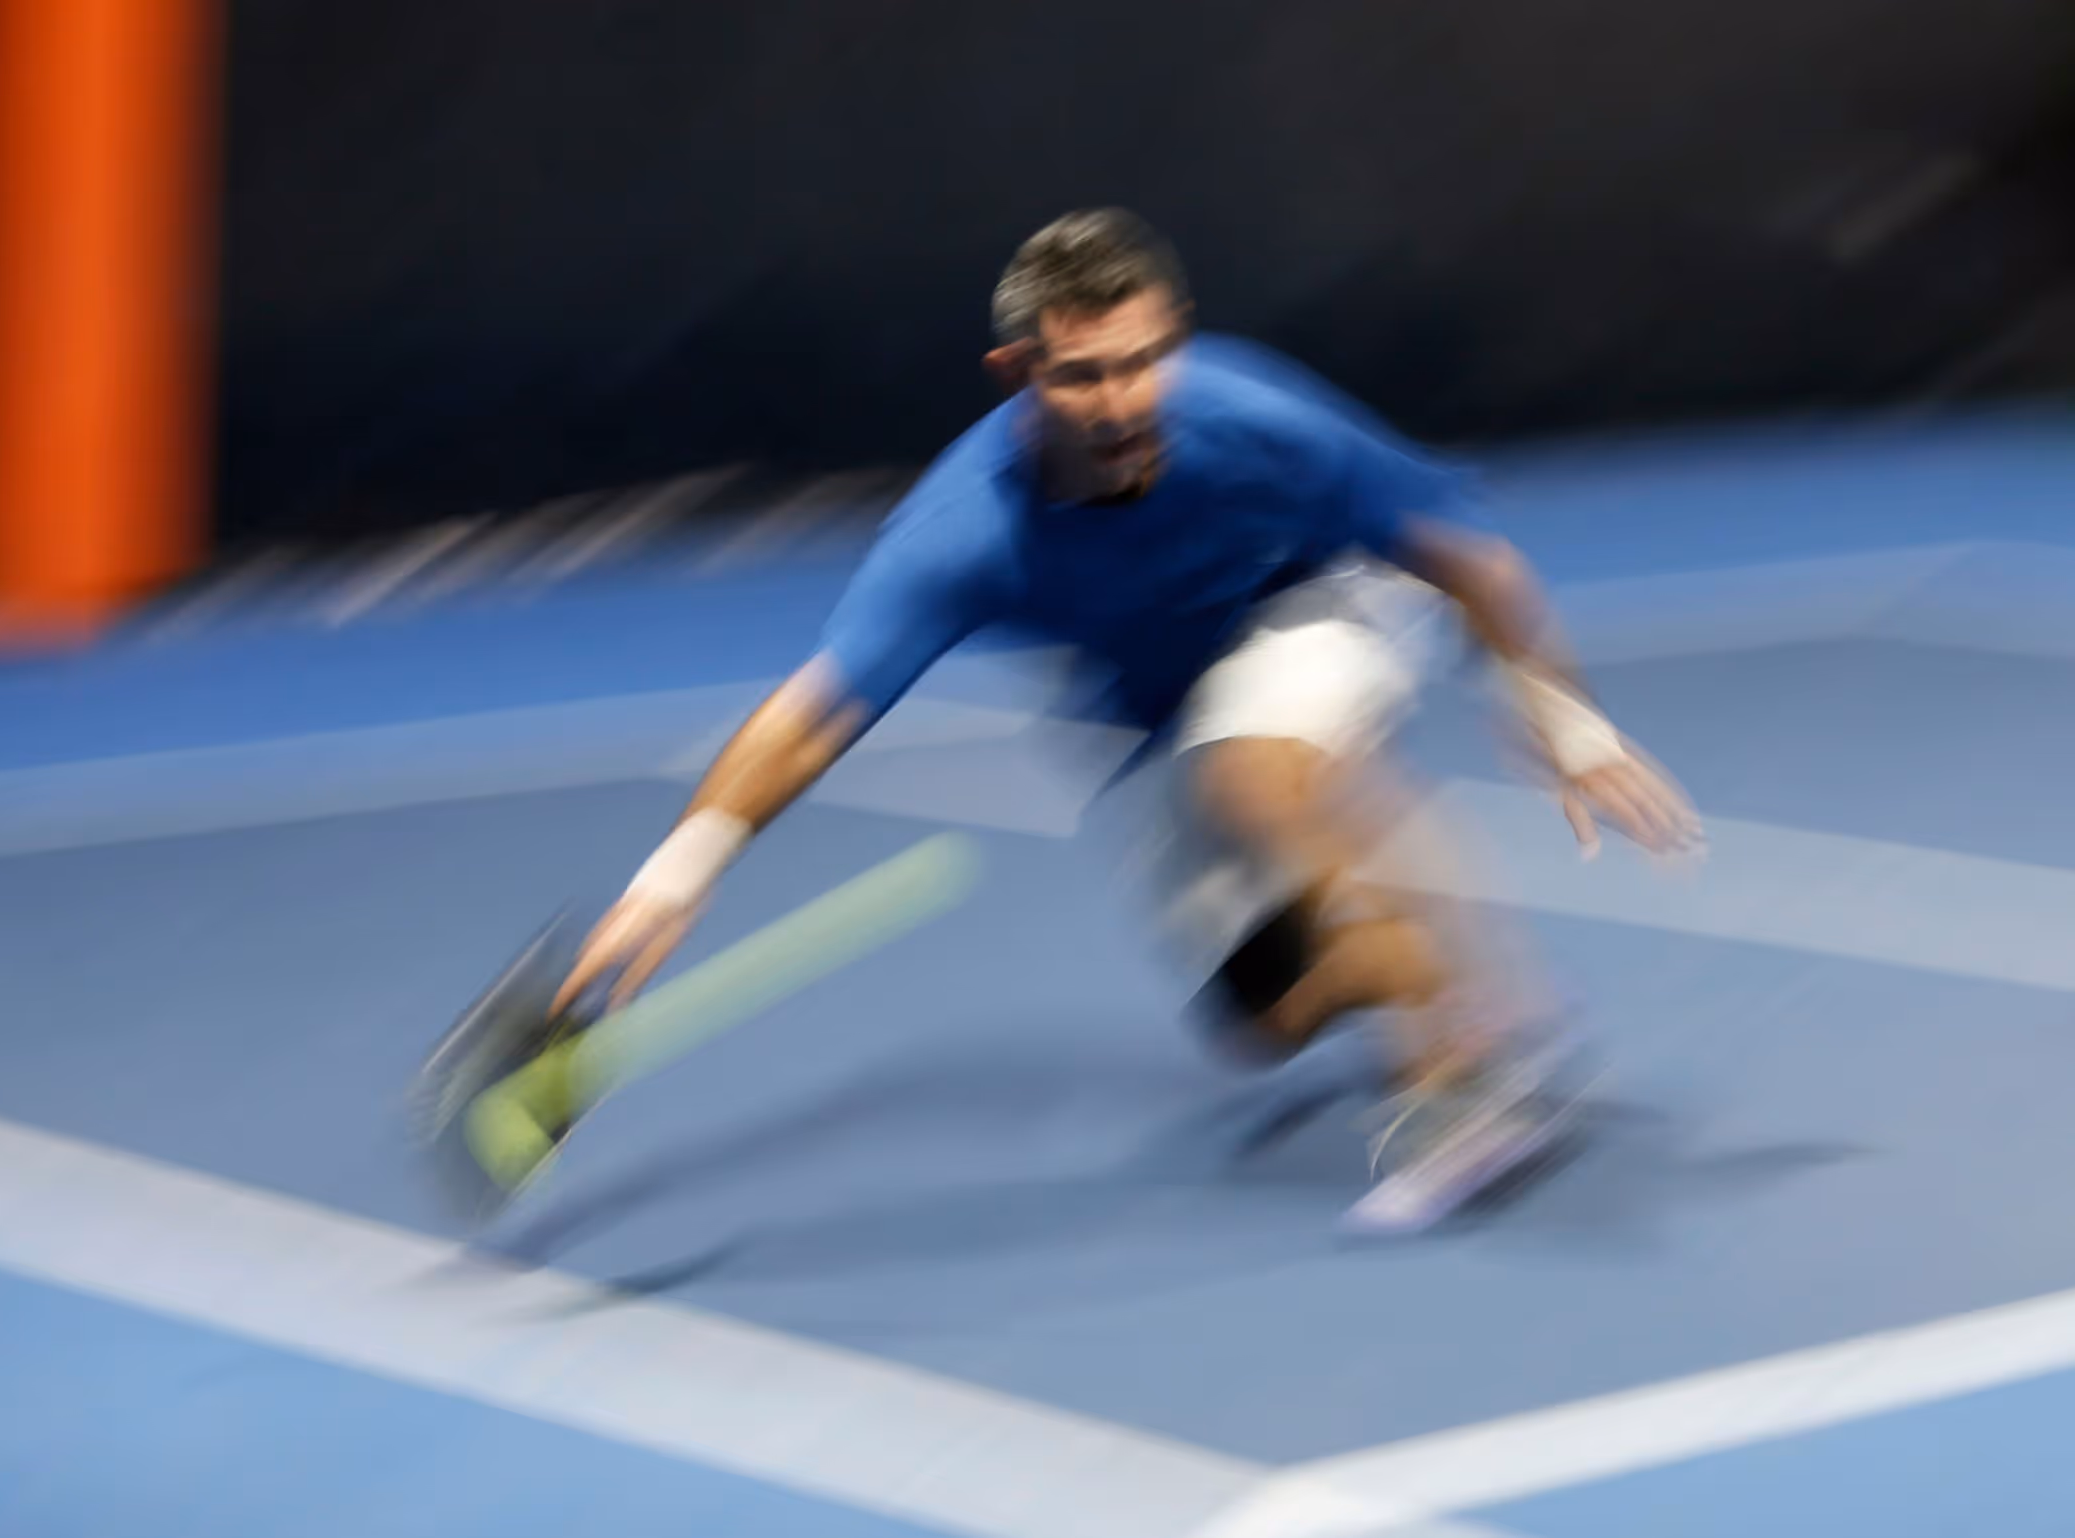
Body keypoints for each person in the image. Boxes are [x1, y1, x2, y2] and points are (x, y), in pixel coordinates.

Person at [532, 209, 1701, 1230]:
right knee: (1270, 1013)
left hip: (1311, 605)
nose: (1119, 403)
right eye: (1080, 376)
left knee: (1252, 778)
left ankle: (1452, 1080)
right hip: (1151, 716)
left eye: (1143, 363)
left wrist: (1558, 713)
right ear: (1014, 375)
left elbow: (1466, 556)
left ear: (1177, 339)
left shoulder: (1259, 422)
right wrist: (681, 869)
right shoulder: (964, 533)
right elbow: (814, 711)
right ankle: (1463, 998)